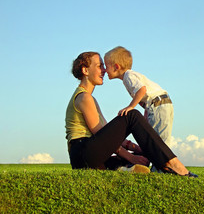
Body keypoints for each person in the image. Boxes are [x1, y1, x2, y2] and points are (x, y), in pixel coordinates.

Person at [65, 51, 197, 177]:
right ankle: (172, 164)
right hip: (83, 153)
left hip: (88, 157)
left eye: (104, 66)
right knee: (131, 115)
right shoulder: (84, 97)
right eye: (100, 66)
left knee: (124, 161)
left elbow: (108, 135)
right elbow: (99, 133)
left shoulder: (90, 98)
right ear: (85, 70)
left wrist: (138, 149)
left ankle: (124, 169)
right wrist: (131, 156)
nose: (104, 70)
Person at [104, 46, 174, 145]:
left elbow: (142, 90)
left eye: (106, 66)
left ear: (116, 67)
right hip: (159, 104)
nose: (105, 70)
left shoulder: (128, 76)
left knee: (159, 144)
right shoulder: (129, 77)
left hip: (158, 105)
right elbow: (145, 96)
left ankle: (164, 160)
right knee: (157, 141)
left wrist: (130, 107)